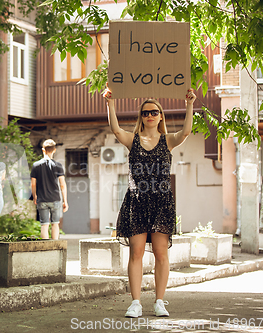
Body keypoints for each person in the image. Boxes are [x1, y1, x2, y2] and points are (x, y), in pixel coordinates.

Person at [103, 86, 196, 318]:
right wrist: (110, 103)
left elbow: (186, 132)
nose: (150, 115)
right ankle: (135, 302)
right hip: (136, 201)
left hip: (162, 202)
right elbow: (115, 129)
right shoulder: (132, 140)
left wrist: (189, 104)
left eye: (154, 112)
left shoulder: (168, 140)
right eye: (146, 113)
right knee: (136, 253)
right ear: (141, 117)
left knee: (161, 253)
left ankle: (160, 301)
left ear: (161, 116)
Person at [31, 139, 68, 240]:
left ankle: (45, 248)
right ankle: (54, 248)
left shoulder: (36, 165)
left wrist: (35, 196)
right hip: (55, 199)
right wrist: (65, 201)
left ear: (43, 150)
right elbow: (62, 185)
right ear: (54, 150)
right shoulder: (58, 166)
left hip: (42, 200)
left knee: (44, 225)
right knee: (55, 224)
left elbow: (33, 184)